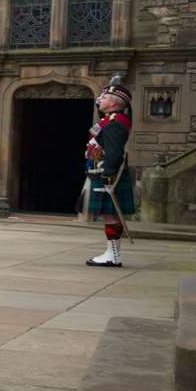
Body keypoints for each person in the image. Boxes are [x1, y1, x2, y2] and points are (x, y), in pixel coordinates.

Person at [85, 79, 135, 267]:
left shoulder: (116, 122)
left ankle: (113, 255)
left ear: (113, 102)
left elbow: (114, 151)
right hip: (100, 169)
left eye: (104, 97)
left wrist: (109, 173)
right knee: (109, 214)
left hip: (108, 172)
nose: (100, 99)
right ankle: (111, 252)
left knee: (110, 214)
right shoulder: (108, 120)